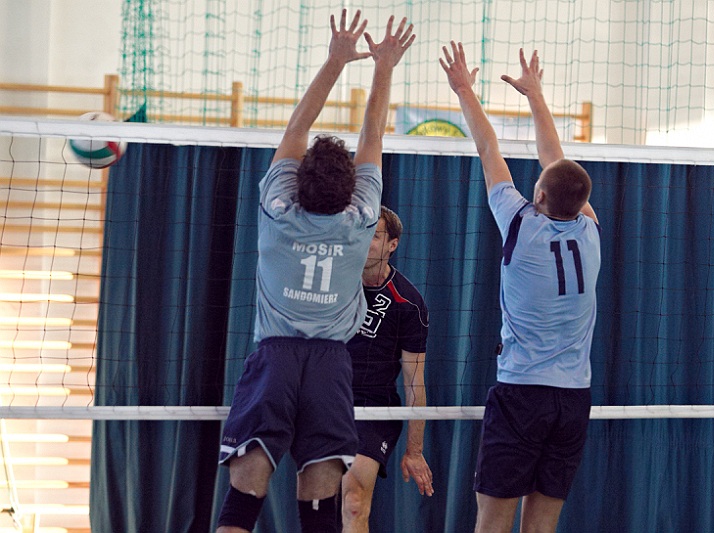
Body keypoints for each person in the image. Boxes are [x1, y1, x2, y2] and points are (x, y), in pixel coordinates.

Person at [216, 10, 415, 533]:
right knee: (322, 512)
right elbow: (372, 135)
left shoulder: (278, 211)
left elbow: (296, 128)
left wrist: (335, 60)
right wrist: (384, 67)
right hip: (331, 365)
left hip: (275, 358)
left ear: (298, 181)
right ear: (351, 191)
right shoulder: (360, 220)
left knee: (242, 501)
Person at [440, 42, 601, 533]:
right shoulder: (591, 230)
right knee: (542, 524)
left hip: (522, 394)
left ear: (540, 194)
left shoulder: (519, 223)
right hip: (572, 400)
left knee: (492, 521)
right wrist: (536, 97)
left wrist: (464, 89)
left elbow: (489, 149)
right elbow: (556, 161)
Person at [341, 206, 434, 533]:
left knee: (353, 501)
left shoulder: (408, 303)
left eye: (375, 235)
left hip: (373, 408)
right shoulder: (332, 284)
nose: (365, 241)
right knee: (318, 503)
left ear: (392, 244)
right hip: (326, 402)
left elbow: (414, 381)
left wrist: (415, 451)